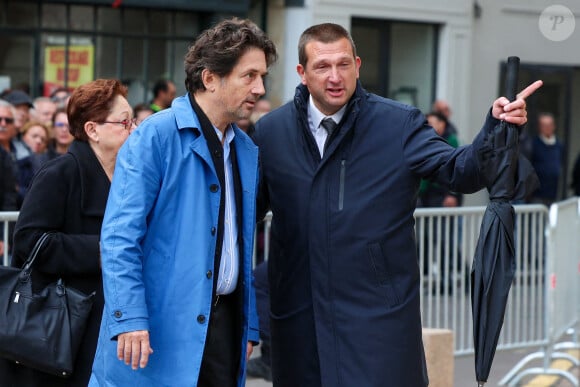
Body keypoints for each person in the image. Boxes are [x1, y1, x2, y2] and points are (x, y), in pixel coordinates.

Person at [252, 23, 542, 386]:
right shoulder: (271, 133)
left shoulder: (398, 124)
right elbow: (242, 217)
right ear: (302, 73)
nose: (335, 76)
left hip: (377, 322)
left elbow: (461, 171)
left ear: (358, 65)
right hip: (299, 324)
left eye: (344, 64)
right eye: (323, 66)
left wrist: (496, 128)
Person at [89, 18, 277, 387]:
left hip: (224, 329)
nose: (260, 88)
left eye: (262, 76)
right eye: (249, 75)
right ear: (210, 78)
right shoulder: (154, 137)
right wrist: (129, 319)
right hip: (156, 330)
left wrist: (249, 321)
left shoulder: (245, 148)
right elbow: (118, 239)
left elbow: (241, 244)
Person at [0, 79, 133, 387]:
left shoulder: (128, 177)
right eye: (125, 122)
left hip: (109, 320)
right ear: (93, 130)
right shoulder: (61, 173)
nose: (134, 129)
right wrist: (99, 251)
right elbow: (28, 240)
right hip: (60, 323)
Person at [530, 112, 563, 206]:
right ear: (539, 127)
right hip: (536, 195)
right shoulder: (534, 144)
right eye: (544, 125)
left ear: (554, 126)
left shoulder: (559, 145)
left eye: (549, 125)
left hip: (553, 194)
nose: (547, 128)